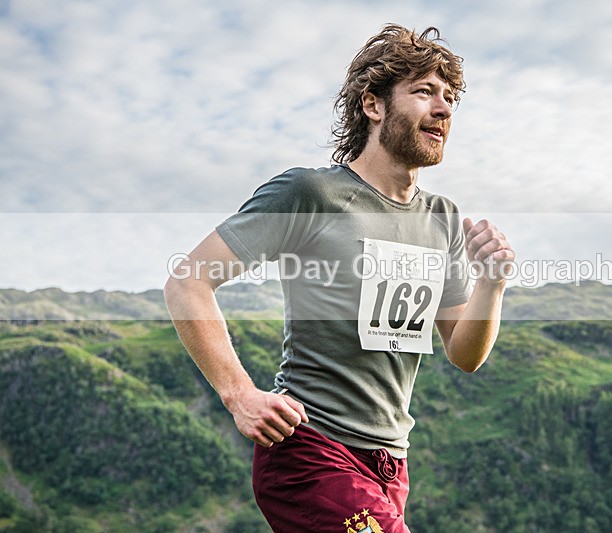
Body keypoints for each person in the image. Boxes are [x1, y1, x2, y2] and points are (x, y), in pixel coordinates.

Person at [163, 23, 514, 532]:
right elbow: (187, 281)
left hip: (390, 464)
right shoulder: (310, 193)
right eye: (423, 92)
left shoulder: (442, 217)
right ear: (374, 106)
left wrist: (492, 284)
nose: (443, 109)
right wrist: (239, 395)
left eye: (450, 97)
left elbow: (465, 354)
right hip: (308, 449)